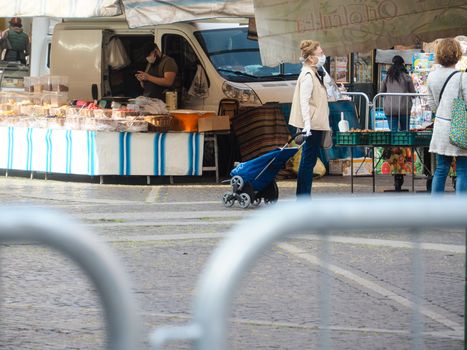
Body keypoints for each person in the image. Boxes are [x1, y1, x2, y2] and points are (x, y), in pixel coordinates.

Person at [289, 40, 331, 197]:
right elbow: (304, 101)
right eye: (320, 54)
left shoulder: (314, 73)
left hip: (316, 124)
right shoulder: (307, 75)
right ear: (312, 58)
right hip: (312, 125)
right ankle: (303, 197)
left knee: (309, 161)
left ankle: (303, 195)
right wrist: (306, 123)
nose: (323, 56)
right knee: (308, 162)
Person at [427, 38, 467, 195]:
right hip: (461, 129)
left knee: (441, 169)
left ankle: (436, 208)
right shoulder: (462, 77)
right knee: (463, 170)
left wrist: (442, 112)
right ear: (457, 55)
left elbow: (431, 103)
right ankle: (461, 208)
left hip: (441, 128)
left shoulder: (432, 76)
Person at [380, 55, 416, 191]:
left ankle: (395, 171)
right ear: (403, 64)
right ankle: (403, 167)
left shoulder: (387, 77)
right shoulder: (406, 77)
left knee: (394, 137)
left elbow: (381, 92)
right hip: (404, 109)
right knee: (405, 136)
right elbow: (413, 94)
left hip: (390, 109)